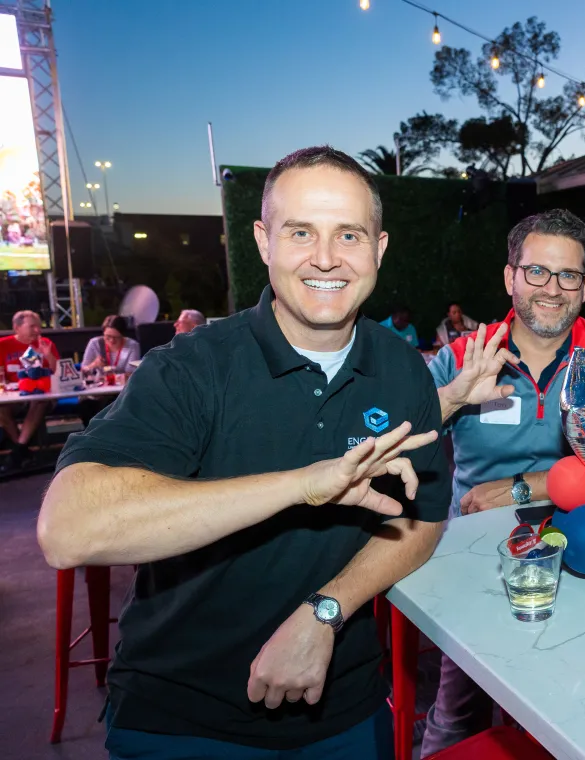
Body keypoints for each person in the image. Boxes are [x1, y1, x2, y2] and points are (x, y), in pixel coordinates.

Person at [37, 145, 451, 759]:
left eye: (350, 235)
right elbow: (66, 530)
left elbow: (422, 521)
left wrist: (325, 611)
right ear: (263, 241)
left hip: (343, 712)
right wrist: (300, 484)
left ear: (380, 248)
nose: (327, 258)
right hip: (179, 721)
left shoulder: (403, 371)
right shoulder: (194, 367)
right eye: (301, 231)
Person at [422, 208, 585, 753]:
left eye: (568, 275)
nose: (552, 289)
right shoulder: (464, 356)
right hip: (479, 561)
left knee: (581, 710)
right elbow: (395, 447)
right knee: (457, 716)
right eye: (536, 272)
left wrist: (530, 485)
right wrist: (452, 396)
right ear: (510, 276)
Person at [0, 310, 59, 472]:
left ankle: (18, 451)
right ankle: (22, 451)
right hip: (13, 396)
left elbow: (58, 374)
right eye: (32, 326)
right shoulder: (3, 345)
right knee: (1, 409)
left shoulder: (46, 343)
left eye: (38, 327)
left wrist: (48, 355)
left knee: (39, 401)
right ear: (16, 327)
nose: (37, 331)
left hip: (42, 395)